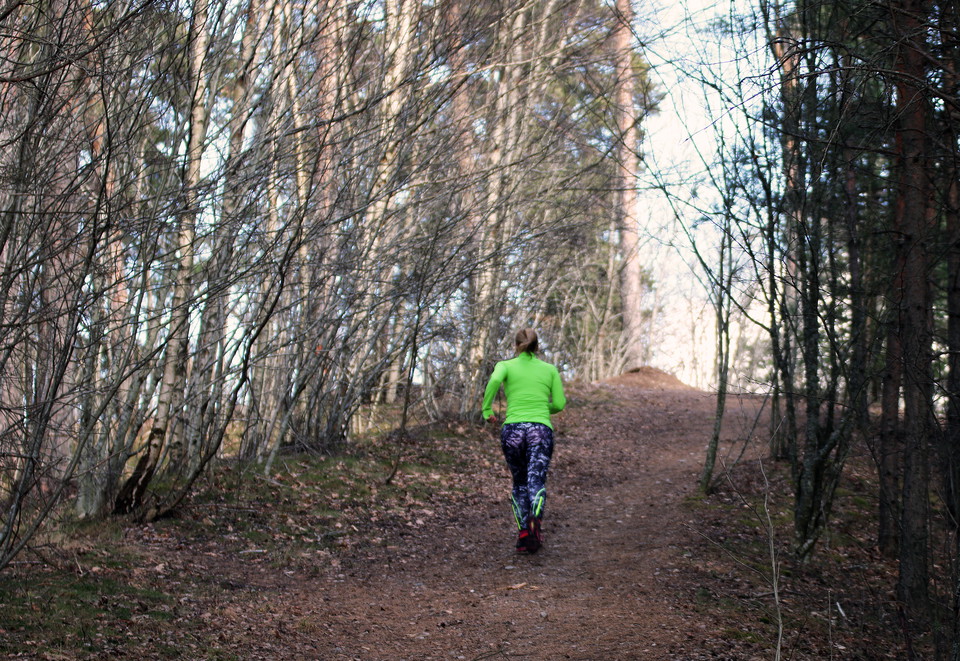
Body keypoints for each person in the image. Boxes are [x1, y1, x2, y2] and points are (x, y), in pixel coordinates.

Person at [481, 328, 566, 554]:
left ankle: (523, 533)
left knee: (519, 482)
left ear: (515, 345)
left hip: (513, 431)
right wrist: (538, 406)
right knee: (535, 479)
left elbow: (494, 381)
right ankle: (534, 522)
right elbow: (559, 404)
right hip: (539, 430)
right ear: (537, 346)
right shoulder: (549, 370)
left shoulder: (505, 366)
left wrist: (487, 408)